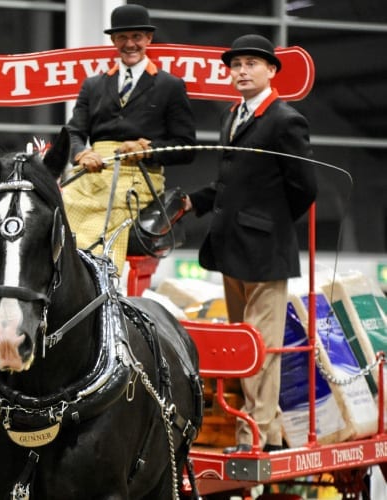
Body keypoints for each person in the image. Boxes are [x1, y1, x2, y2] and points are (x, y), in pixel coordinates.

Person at [183, 34, 318, 453]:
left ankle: (253, 438)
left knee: (259, 350)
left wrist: (269, 225)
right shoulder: (233, 116)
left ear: (271, 71)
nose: (241, 71)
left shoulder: (285, 119)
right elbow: (230, 184)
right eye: (235, 65)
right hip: (230, 251)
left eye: (250, 64)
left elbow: (305, 187)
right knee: (244, 347)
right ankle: (271, 432)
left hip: (265, 255)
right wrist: (195, 201)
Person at [63, 3, 196, 273]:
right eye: (123, 37)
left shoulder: (170, 85)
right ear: (113, 40)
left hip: (138, 176)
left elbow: (187, 147)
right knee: (58, 206)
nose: (130, 44)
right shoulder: (93, 85)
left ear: (148, 39)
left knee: (107, 215)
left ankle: (98, 280)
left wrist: (148, 149)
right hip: (93, 172)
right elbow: (74, 132)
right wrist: (81, 153)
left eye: (136, 37)